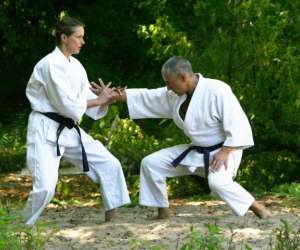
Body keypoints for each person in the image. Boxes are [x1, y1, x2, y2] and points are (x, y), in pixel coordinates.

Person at [92, 56, 271, 219]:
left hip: (223, 151)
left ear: (184, 77)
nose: (168, 87)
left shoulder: (218, 90)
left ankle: (257, 207)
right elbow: (149, 96)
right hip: (196, 151)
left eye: (170, 83)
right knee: (151, 163)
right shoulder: (175, 95)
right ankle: (163, 211)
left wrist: (225, 151)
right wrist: (117, 96)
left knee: (217, 183)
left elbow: (238, 123)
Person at [23, 16, 130, 226]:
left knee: (109, 163)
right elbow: (66, 104)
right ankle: (23, 225)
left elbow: (85, 100)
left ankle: (112, 219)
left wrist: (105, 99)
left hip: (69, 129)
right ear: (64, 38)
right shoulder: (49, 65)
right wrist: (98, 100)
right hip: (45, 129)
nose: (83, 41)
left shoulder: (76, 65)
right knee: (45, 186)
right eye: (79, 37)